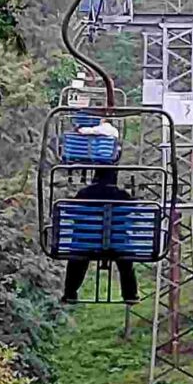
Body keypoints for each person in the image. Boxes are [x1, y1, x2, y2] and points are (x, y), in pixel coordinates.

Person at [61, 122, 140, 304]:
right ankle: (130, 294)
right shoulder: (122, 196)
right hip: (116, 247)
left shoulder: (83, 194)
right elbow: (131, 215)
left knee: (78, 253)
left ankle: (70, 292)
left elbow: (72, 214)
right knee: (124, 256)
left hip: (86, 246)